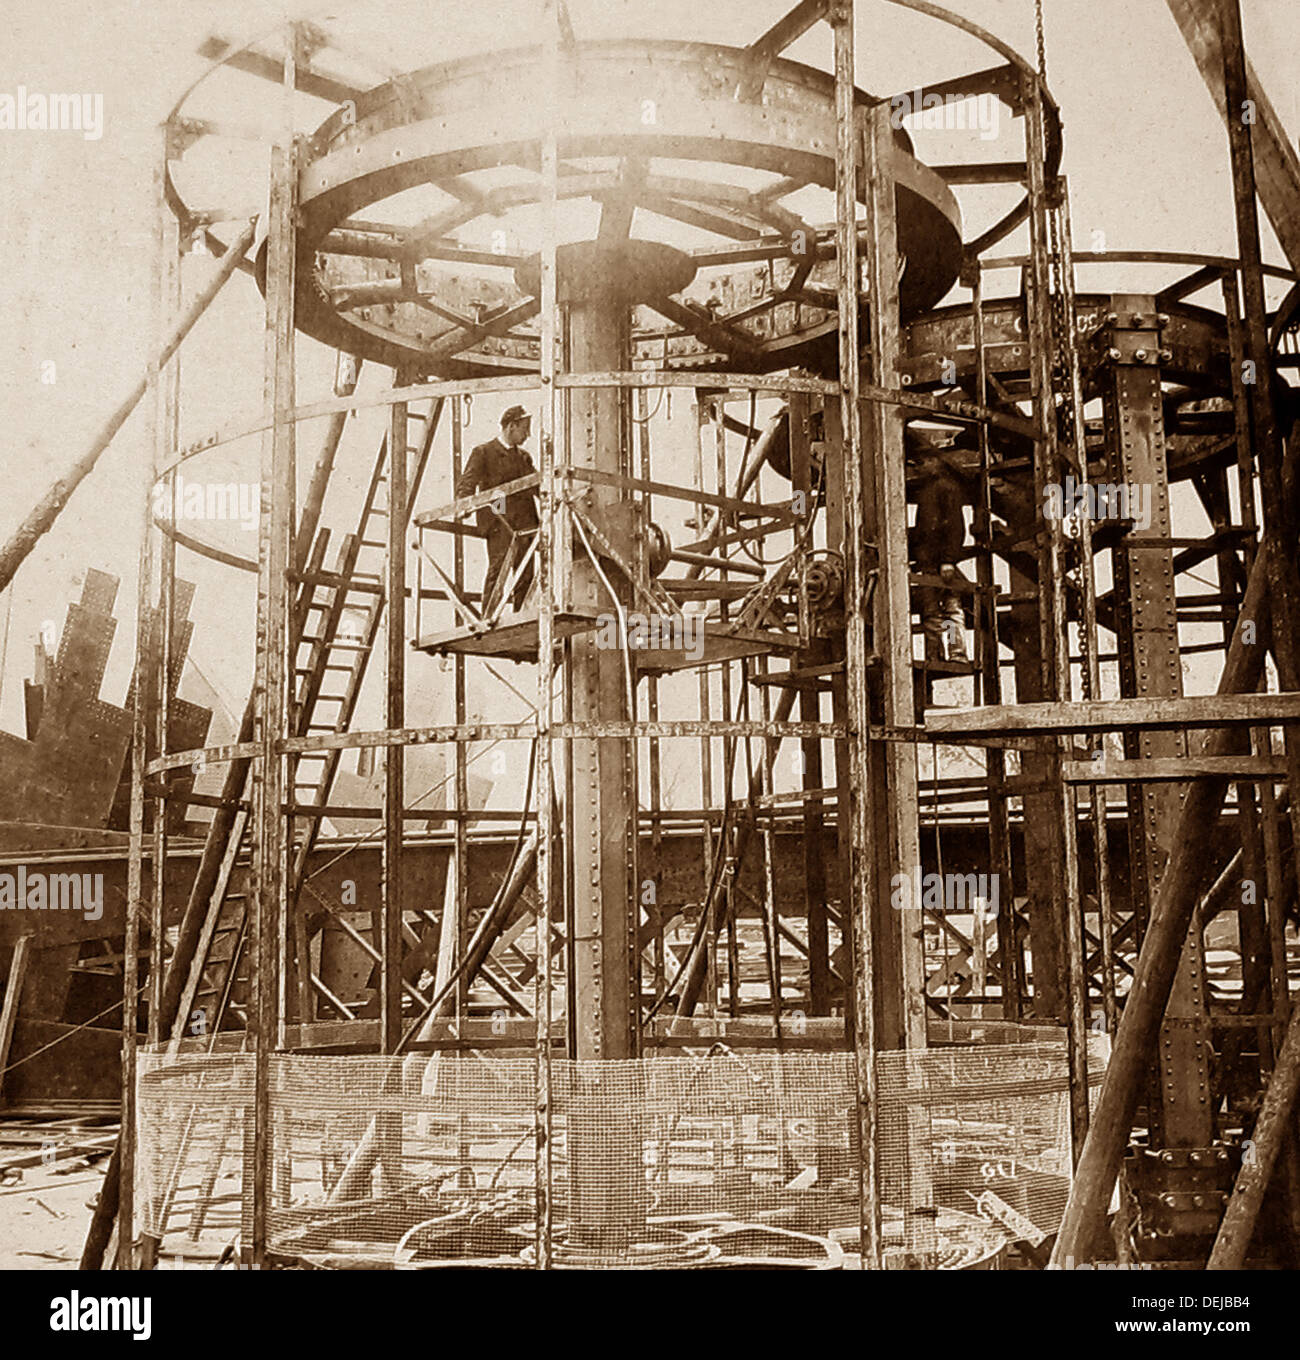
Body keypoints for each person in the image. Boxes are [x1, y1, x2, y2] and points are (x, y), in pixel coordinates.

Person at [457, 405, 540, 614]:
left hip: (525, 525)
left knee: (525, 575)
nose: (528, 435)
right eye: (525, 429)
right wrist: (464, 505)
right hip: (500, 523)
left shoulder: (524, 458)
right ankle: (489, 617)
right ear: (512, 426)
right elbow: (467, 483)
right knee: (498, 570)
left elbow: (537, 486)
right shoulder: (484, 452)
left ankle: (521, 618)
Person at [911, 445, 970, 663]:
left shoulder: (947, 487)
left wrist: (948, 560)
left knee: (950, 610)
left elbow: (955, 526)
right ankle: (934, 655)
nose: (918, 468)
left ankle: (956, 653)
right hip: (928, 563)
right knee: (931, 612)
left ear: (935, 462)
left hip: (942, 564)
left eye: (921, 463)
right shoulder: (927, 492)